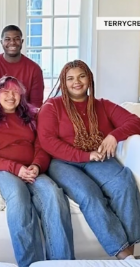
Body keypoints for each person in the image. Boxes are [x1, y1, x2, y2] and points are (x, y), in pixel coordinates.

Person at [37, 59, 140, 261]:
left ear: (89, 79)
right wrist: (85, 155)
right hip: (63, 162)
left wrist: (113, 136)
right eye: (70, 78)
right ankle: (123, 255)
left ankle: (133, 256)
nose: (77, 82)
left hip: (99, 157)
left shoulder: (103, 105)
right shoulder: (52, 106)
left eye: (81, 76)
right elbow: (48, 142)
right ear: (63, 82)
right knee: (89, 194)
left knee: (124, 183)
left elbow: (135, 122)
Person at [0, 76, 74, 267]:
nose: (11, 96)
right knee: (18, 193)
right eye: (5, 91)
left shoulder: (32, 117)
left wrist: (36, 166)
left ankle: (62, 263)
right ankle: (30, 263)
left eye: (15, 92)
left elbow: (41, 146)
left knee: (53, 193)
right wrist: (16, 168)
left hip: (31, 169)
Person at [0, 25, 44, 108]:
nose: (12, 42)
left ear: (22, 41)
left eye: (16, 39)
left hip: (25, 116)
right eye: (7, 39)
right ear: (1, 42)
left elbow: (36, 104)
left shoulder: (34, 69)